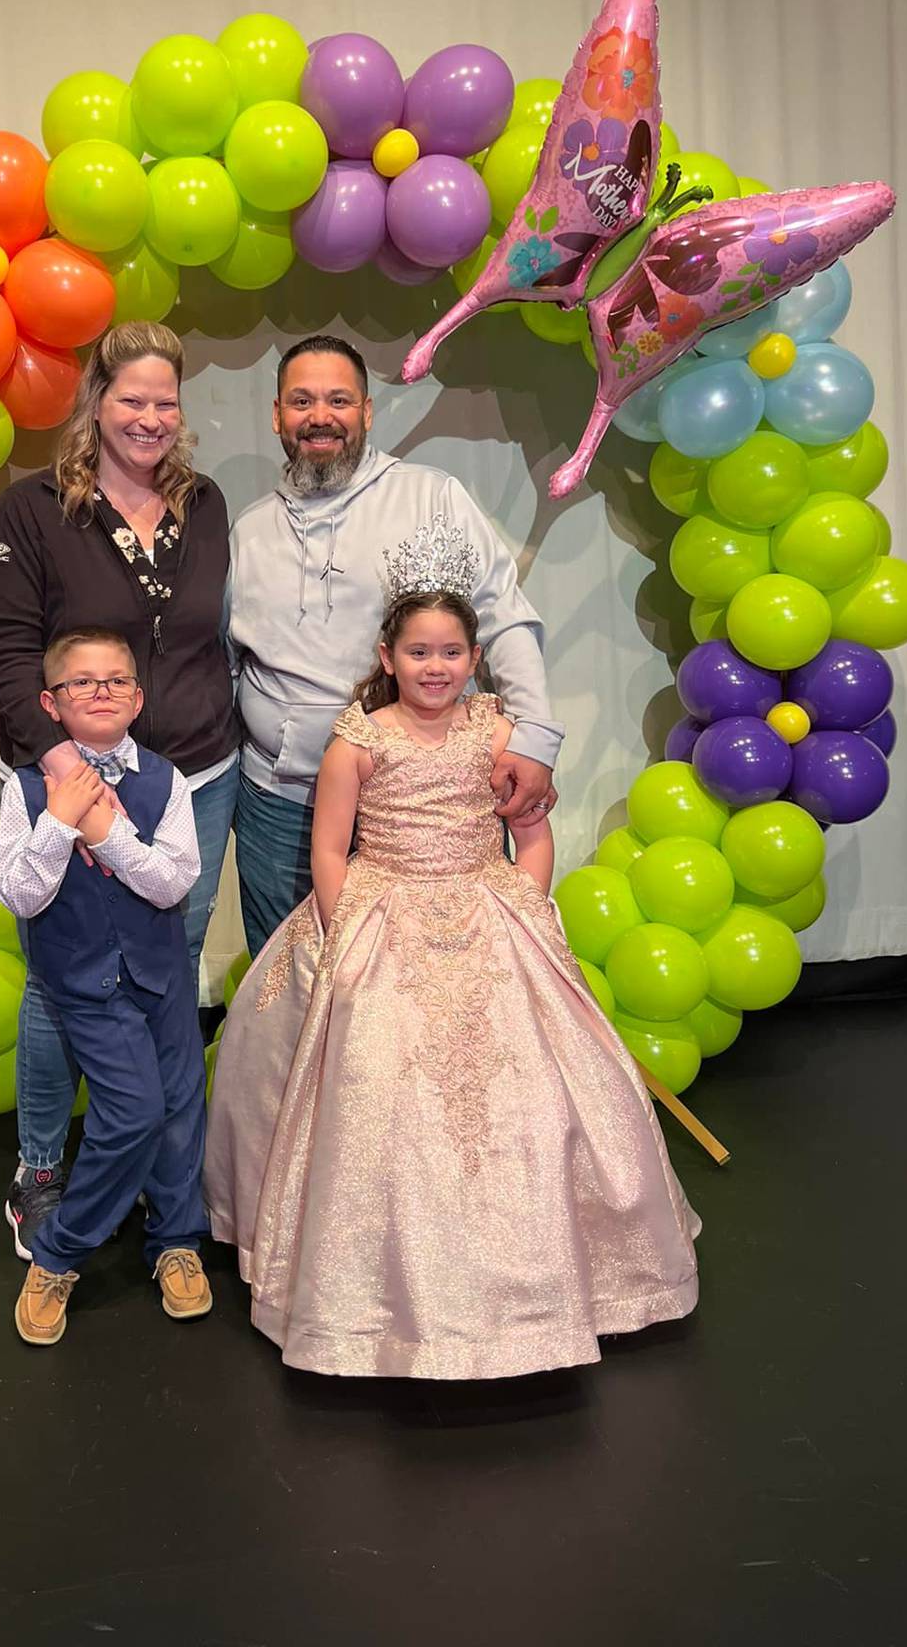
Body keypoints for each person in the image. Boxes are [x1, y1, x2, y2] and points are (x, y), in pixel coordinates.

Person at [204, 528, 699, 1380]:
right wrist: (341, 917)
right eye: (419, 651)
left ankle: (543, 1281)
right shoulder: (360, 737)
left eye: (453, 652)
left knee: (524, 1089)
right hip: (382, 905)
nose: (436, 667)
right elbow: (330, 846)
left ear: (475, 657)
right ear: (388, 656)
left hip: (483, 905)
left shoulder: (495, 731)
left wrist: (527, 900)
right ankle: (370, 1293)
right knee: (379, 1082)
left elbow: (532, 830)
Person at [0, 322, 238, 1259]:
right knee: (61, 984)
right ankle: (42, 1170)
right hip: (68, 779)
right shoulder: (30, 514)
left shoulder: (201, 505)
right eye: (132, 399)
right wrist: (61, 771)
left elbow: (213, 640)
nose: (151, 418)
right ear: (95, 403)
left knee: (167, 979)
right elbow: (5, 658)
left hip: (194, 777)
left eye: (167, 401)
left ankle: (160, 1182)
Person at [228, 334, 563, 958]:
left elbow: (502, 617)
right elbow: (227, 663)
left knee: (417, 993)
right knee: (293, 978)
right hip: (278, 805)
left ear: (367, 412)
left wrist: (535, 738)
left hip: (419, 809)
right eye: (301, 401)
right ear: (276, 415)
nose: (319, 416)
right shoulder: (248, 530)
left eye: (338, 400)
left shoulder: (430, 497)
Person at [0, 628, 213, 1347]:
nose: (101, 691)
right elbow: (20, 896)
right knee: (134, 1113)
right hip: (87, 985)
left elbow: (173, 879)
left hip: (163, 979)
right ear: (51, 703)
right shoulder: (26, 789)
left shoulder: (166, 780)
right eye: (83, 682)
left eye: (116, 680)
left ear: (138, 697)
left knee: (181, 1110)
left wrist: (108, 833)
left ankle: (177, 1240)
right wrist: (61, 822)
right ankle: (58, 1255)